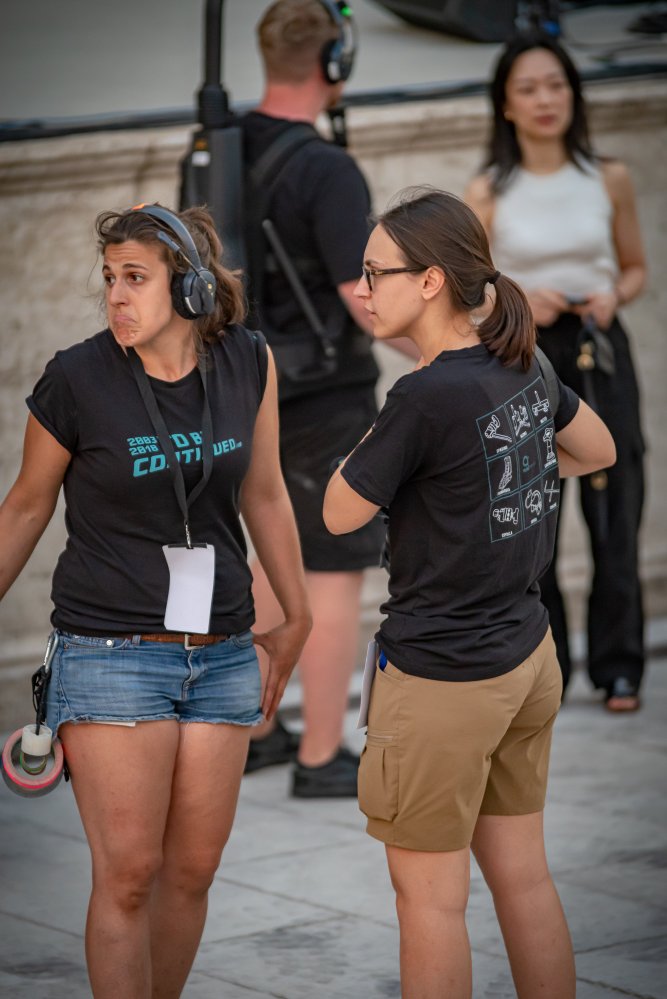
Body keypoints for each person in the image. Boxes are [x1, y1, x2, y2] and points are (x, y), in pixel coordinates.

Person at [0, 203, 311, 997]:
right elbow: (26, 506)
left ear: (191, 287)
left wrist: (297, 612)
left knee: (192, 870)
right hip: (109, 652)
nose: (115, 295)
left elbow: (266, 492)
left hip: (224, 652)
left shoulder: (248, 360)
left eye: (134, 278)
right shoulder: (77, 377)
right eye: (109, 278)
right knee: (130, 872)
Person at [323, 187, 616, 998]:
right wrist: (495, 479)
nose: (361, 289)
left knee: (429, 901)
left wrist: (397, 430)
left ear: (428, 282)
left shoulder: (422, 396)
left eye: (374, 272)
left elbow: (339, 510)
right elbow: (595, 448)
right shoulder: (521, 360)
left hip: (443, 678)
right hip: (526, 657)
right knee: (524, 879)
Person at [241, 0, 413, 796]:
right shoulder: (327, 169)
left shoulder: (216, 147)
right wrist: (449, 349)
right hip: (324, 394)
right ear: (332, 64)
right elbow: (362, 295)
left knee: (266, 557)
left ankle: (256, 729)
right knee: (333, 568)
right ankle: (318, 755)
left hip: (246, 383)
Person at [465, 34, 647, 710]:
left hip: (599, 345)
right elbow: (472, 292)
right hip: (526, 353)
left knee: (617, 504)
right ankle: (549, 666)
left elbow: (634, 267)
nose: (545, 100)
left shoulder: (608, 175)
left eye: (556, 84)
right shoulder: (488, 190)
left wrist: (614, 294)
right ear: (505, 105)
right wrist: (517, 298)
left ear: (574, 93)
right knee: (534, 513)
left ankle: (619, 665)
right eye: (528, 88)